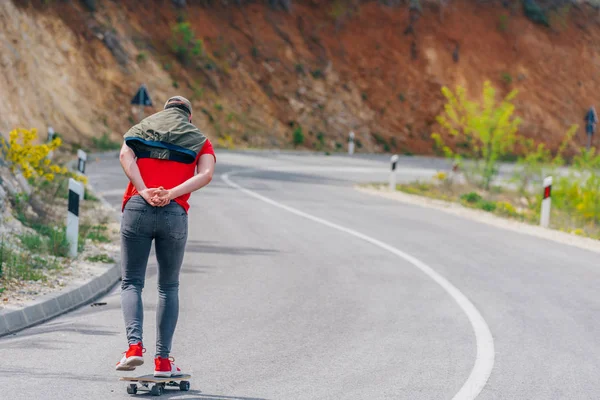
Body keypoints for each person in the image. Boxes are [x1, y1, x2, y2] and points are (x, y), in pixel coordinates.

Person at [115, 95, 216, 377]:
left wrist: (144, 189)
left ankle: (134, 347)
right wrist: (172, 193)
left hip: (137, 206)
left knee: (132, 281)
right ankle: (163, 361)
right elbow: (206, 174)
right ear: (189, 117)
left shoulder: (141, 128)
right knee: (168, 287)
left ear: (165, 112)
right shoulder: (200, 139)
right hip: (174, 213)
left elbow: (125, 155)